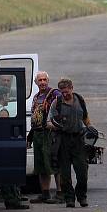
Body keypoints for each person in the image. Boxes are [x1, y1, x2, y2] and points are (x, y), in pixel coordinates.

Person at [47, 78, 91, 208]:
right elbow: (48, 122)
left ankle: (82, 196)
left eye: (66, 92)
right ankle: (69, 199)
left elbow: (85, 116)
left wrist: (90, 127)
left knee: (82, 171)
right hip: (63, 140)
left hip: (78, 139)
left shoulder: (79, 100)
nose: (65, 94)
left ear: (72, 88)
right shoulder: (57, 103)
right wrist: (56, 126)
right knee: (64, 174)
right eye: (62, 92)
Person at [28, 72, 63, 204]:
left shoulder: (55, 94)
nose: (42, 82)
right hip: (38, 134)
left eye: (44, 80)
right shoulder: (36, 97)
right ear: (36, 82)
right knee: (41, 165)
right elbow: (34, 119)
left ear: (48, 81)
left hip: (50, 134)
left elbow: (62, 110)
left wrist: (56, 126)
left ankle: (60, 193)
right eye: (40, 80)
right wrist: (30, 137)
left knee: (54, 163)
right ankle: (45, 193)